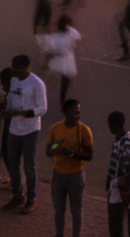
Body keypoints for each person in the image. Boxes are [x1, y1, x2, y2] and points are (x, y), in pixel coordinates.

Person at [4, 53, 49, 213]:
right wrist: (8, 109)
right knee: (13, 164)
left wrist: (21, 114)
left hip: (30, 129)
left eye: (15, 67)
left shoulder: (37, 84)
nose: (13, 70)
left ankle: (31, 198)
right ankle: (18, 195)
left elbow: (42, 108)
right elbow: (11, 97)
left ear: (24, 68)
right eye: (13, 66)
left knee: (29, 166)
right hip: (14, 129)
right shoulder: (14, 80)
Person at [46, 98, 93, 237]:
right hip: (58, 176)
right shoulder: (55, 129)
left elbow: (89, 156)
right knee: (59, 211)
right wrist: (57, 147)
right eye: (75, 113)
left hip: (76, 176)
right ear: (66, 112)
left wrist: (71, 153)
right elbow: (48, 150)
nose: (78, 116)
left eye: (79, 113)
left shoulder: (84, 131)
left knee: (76, 210)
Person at [38, 14, 81, 104]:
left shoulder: (55, 38)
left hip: (57, 59)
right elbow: (77, 39)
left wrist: (45, 61)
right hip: (67, 58)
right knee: (65, 77)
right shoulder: (72, 33)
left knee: (51, 76)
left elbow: (51, 51)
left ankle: (42, 93)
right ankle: (62, 96)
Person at [106, 111, 130, 237]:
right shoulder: (118, 140)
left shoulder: (127, 144)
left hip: (120, 189)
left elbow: (127, 170)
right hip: (114, 186)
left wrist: (123, 192)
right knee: (114, 224)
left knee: (116, 224)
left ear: (113, 126)